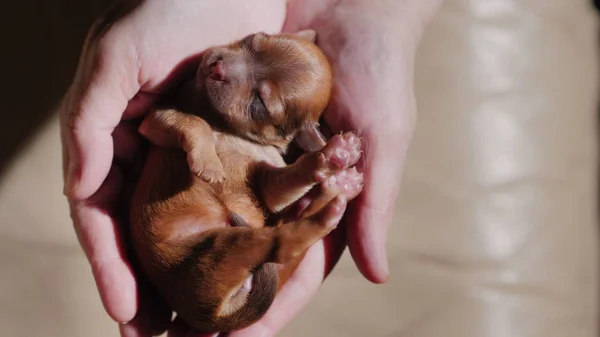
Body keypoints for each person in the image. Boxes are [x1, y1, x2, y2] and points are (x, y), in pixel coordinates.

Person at [59, 0, 445, 336]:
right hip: (210, 243)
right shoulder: (196, 105)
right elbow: (152, 124)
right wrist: (194, 132)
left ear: (293, 136)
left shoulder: (271, 154)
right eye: (251, 43)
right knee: (266, 239)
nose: (228, 68)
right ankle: (307, 223)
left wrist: (314, 166)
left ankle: (307, 219)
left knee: (257, 237)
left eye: (259, 105)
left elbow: (269, 189)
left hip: (197, 258)